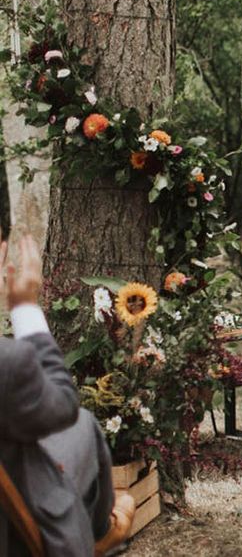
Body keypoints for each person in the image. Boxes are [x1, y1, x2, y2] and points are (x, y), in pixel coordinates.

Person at [0, 234, 135, 556]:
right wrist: (26, 311)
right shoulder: (7, 363)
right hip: (14, 535)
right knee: (81, 422)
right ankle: (100, 531)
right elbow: (62, 405)